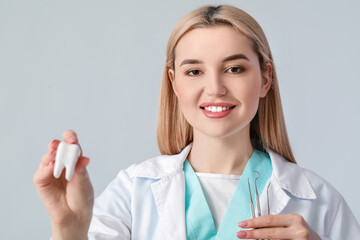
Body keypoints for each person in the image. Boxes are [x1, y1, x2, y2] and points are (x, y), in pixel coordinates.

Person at [33, 4, 360, 240]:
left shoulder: (319, 201)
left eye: (235, 69)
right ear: (175, 84)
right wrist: (69, 229)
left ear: (265, 79)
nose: (215, 88)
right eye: (194, 71)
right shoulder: (131, 194)